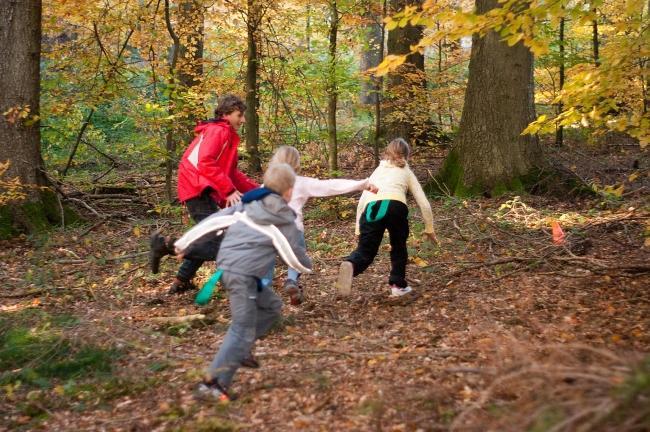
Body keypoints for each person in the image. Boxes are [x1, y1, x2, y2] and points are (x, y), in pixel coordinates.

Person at [188, 163, 312, 401]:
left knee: (272, 307)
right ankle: (212, 384)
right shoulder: (283, 215)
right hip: (243, 274)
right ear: (288, 190)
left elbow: (214, 220)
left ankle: (240, 350)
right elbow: (295, 249)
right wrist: (305, 267)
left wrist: (184, 244)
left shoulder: (248, 203)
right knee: (241, 329)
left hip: (232, 269)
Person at [149, 94, 258, 294]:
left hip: (201, 188)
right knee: (218, 241)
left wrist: (259, 190)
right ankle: (167, 246)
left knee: (209, 235)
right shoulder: (218, 131)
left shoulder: (225, 133)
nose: (242, 120)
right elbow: (205, 162)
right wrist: (229, 190)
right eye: (239, 115)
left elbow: (231, 173)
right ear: (225, 114)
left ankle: (181, 281)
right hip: (196, 188)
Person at [264, 145, 377, 304]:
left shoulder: (267, 185)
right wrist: (362, 184)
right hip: (292, 230)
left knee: (265, 262)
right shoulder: (300, 182)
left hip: (268, 230)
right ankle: (291, 281)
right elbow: (330, 186)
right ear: (296, 164)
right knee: (298, 259)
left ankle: (262, 292)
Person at [335, 137, 438, 298]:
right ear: (406, 155)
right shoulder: (406, 172)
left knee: (366, 250)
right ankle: (397, 285)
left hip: (372, 208)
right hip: (396, 206)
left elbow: (362, 201)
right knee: (398, 246)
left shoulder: (378, 171)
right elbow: (423, 203)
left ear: (387, 153)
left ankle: (351, 264)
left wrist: (357, 229)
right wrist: (429, 228)